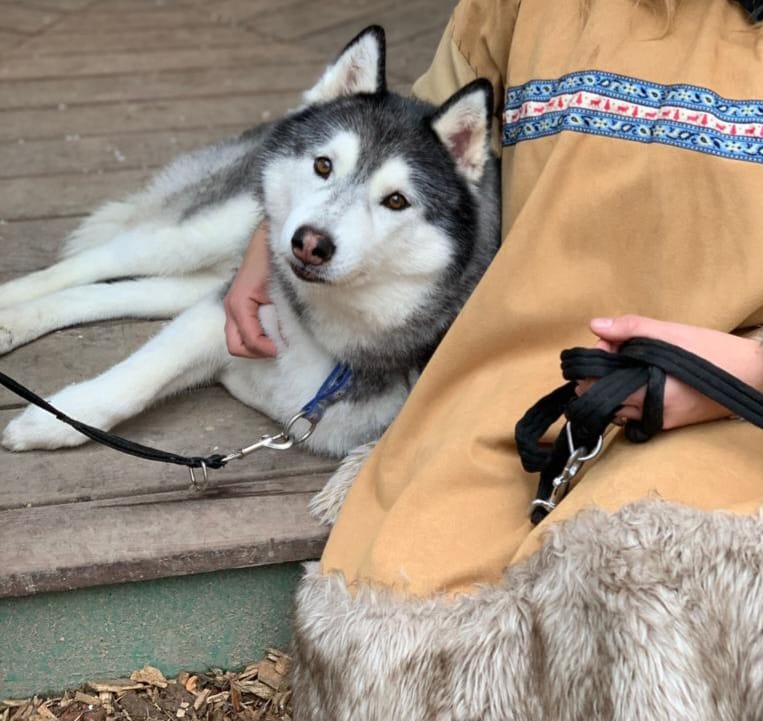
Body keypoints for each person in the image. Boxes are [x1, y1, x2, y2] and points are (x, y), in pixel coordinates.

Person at [226, 0, 763, 717]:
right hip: (504, 382)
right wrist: (268, 244)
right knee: (388, 648)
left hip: (733, 407)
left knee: (659, 614)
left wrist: (737, 376)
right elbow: (404, 137)